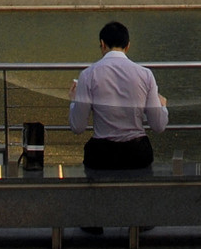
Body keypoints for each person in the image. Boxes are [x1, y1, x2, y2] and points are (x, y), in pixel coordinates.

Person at [68, 20, 167, 170]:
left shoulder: (88, 75)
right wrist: (163, 106)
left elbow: (78, 127)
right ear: (128, 46)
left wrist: (74, 101)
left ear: (102, 44)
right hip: (137, 153)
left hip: (101, 155)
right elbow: (158, 125)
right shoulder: (145, 75)